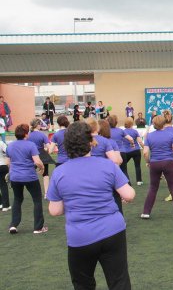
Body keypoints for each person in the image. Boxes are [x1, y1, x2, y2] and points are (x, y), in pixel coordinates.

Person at [47, 121, 135, 289]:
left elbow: (55, 210)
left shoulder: (59, 173)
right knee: (119, 280)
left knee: (83, 284)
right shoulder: (108, 165)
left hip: (81, 236)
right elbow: (129, 195)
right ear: (91, 142)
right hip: (112, 232)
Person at [141, 115, 173, 219]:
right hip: (168, 162)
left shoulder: (149, 136)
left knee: (153, 187)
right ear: (164, 123)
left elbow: (145, 152)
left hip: (155, 163)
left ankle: (146, 212)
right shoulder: (170, 135)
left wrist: (148, 162)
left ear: (154, 124)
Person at [6, 124, 46, 234]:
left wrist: (12, 172)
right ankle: (38, 228)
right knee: (37, 200)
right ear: (25, 134)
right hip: (30, 176)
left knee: (17, 199)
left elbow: (8, 163)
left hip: (15, 177)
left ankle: (13, 225)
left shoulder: (10, 146)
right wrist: (42, 168)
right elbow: (37, 161)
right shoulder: (30, 145)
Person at [28, 118, 52, 198]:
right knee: (45, 174)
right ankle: (46, 194)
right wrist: (46, 150)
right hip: (42, 155)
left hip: (31, 156)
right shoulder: (42, 135)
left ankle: (34, 193)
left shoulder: (28, 135)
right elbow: (48, 147)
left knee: (31, 173)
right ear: (38, 125)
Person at [123, 117, 144, 185]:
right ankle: (139, 181)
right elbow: (140, 141)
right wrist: (144, 148)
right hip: (136, 151)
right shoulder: (135, 131)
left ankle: (125, 181)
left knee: (123, 166)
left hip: (126, 152)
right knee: (137, 166)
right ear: (132, 123)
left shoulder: (123, 132)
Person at [0, 139, 10, 212]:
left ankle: (1, 203)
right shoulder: (1, 143)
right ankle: (6, 205)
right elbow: (8, 151)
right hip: (2, 165)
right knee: (3, 185)